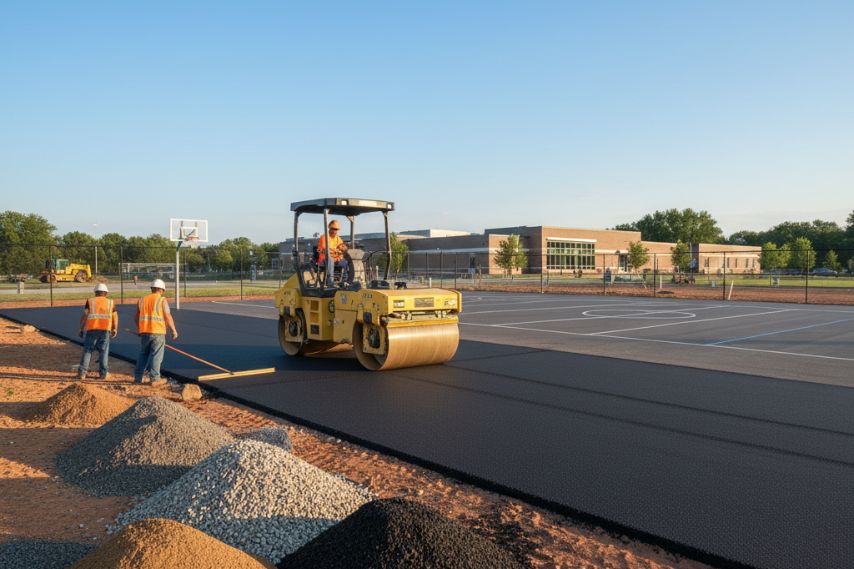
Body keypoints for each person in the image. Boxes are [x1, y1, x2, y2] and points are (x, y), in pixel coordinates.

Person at [133, 279, 178, 385]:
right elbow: (167, 316)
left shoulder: (142, 300)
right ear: (162, 290)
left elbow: (136, 317)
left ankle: (137, 378)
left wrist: (140, 329)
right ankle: (154, 379)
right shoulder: (162, 300)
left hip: (145, 333)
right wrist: (173, 330)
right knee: (156, 355)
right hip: (158, 332)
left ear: (152, 289)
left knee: (143, 354)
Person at [77, 283, 118, 380]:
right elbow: (115, 316)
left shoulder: (90, 301)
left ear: (95, 293)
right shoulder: (110, 302)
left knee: (88, 351)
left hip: (92, 329)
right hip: (105, 331)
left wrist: (81, 328)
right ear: (106, 293)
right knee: (103, 352)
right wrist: (115, 328)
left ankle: (82, 373)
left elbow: (84, 315)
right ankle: (103, 374)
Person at [316, 219, 354, 285]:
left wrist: (345, 248)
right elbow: (325, 250)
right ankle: (330, 282)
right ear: (329, 228)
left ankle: (345, 282)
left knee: (346, 262)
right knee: (330, 260)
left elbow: (342, 247)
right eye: (333, 229)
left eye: (336, 229)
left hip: (336, 259)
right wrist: (336, 251)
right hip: (324, 259)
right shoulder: (324, 237)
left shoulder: (338, 238)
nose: (334, 231)